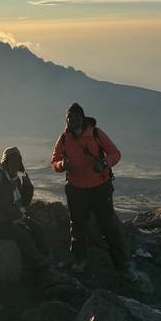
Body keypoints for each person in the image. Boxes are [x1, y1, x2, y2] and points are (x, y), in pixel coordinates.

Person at [51, 102, 136, 279]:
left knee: (109, 226)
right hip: (76, 189)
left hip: (100, 188)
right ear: (66, 120)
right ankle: (79, 261)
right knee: (78, 226)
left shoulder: (96, 133)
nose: (72, 120)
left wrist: (104, 163)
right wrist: (61, 165)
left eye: (76, 117)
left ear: (82, 118)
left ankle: (122, 265)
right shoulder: (64, 138)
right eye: (69, 118)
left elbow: (115, 153)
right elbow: (54, 161)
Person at [0, 146, 50, 271]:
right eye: (14, 162)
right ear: (6, 162)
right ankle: (38, 262)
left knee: (38, 229)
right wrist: (6, 220)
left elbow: (23, 203)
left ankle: (46, 258)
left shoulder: (14, 179)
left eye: (18, 162)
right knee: (21, 235)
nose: (16, 166)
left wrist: (28, 188)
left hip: (14, 217)